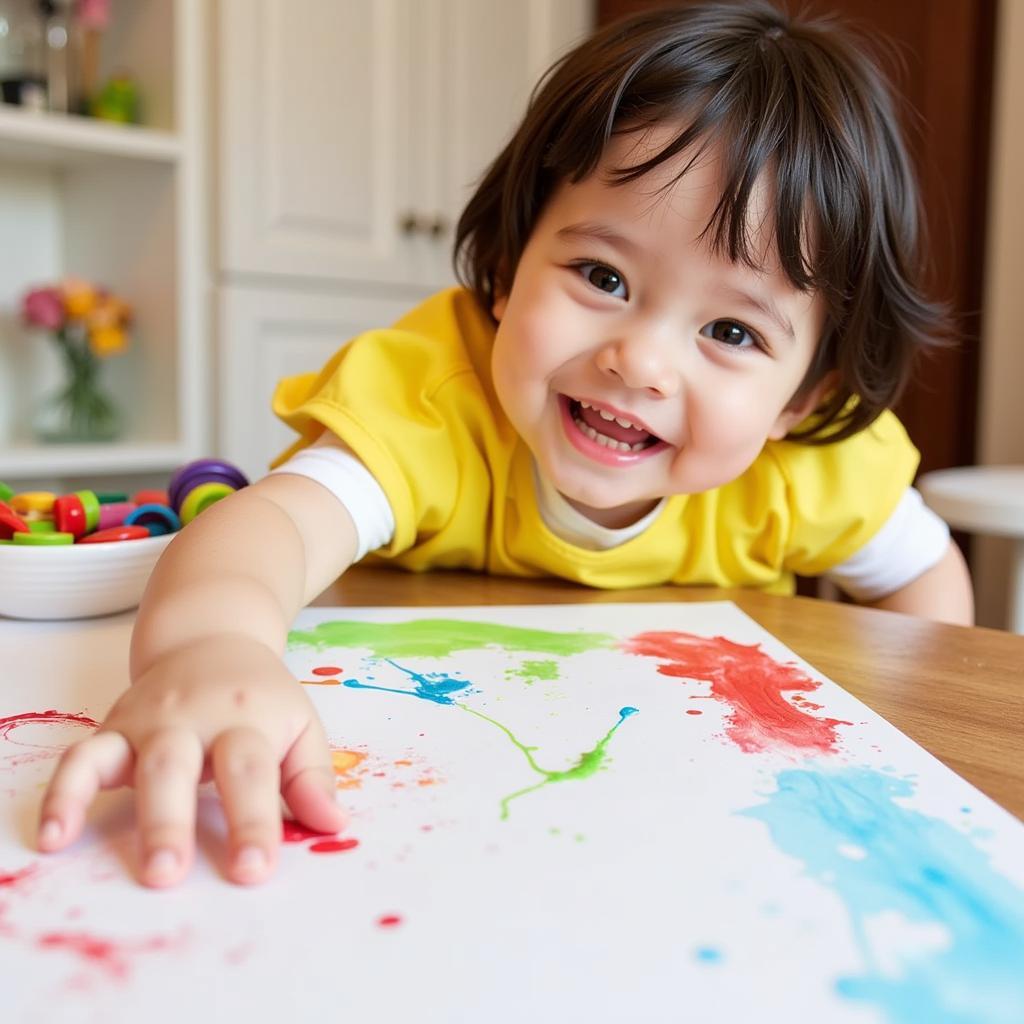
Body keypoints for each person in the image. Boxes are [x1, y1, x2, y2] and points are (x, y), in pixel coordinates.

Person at [37, 0, 973, 888]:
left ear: (803, 399)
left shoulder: (814, 471)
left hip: (683, 830)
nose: (640, 361)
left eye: (732, 333)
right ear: (506, 267)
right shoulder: (438, 401)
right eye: (602, 274)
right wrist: (210, 649)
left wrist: (899, 738)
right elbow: (268, 528)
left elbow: (927, 592)